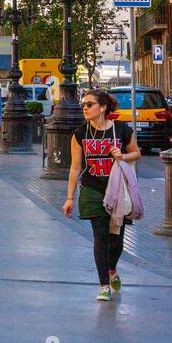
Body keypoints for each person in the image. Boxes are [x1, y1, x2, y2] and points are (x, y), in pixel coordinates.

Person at [64, 90, 141, 301]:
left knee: (116, 240)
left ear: (103, 107)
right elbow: (75, 167)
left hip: (117, 191)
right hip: (91, 189)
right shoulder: (80, 133)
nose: (85, 108)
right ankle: (103, 285)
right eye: (83, 104)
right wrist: (70, 197)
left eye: (90, 104)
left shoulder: (121, 130)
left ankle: (112, 269)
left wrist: (122, 155)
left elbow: (137, 152)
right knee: (100, 236)